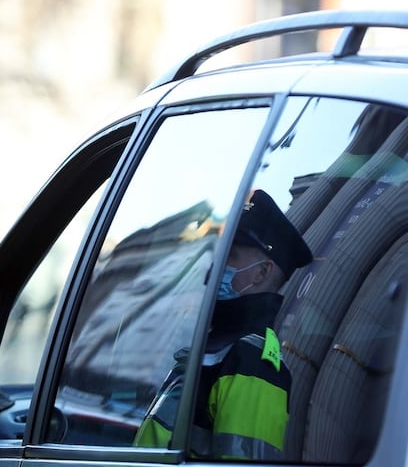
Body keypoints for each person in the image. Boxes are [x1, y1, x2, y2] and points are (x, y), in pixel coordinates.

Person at [134, 189, 313, 460]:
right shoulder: (221, 346)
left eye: (230, 255)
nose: (216, 266)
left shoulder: (254, 362)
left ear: (262, 272)